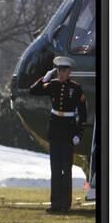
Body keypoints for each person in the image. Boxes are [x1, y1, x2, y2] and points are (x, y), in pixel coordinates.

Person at [29, 56, 87, 213]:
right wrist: (45, 78)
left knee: (65, 169)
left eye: (64, 71)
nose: (61, 73)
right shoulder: (52, 85)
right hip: (55, 131)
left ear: (69, 72)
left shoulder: (76, 88)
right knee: (55, 168)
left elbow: (82, 114)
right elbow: (33, 90)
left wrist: (78, 134)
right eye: (59, 71)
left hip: (68, 131)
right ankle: (55, 203)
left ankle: (65, 204)